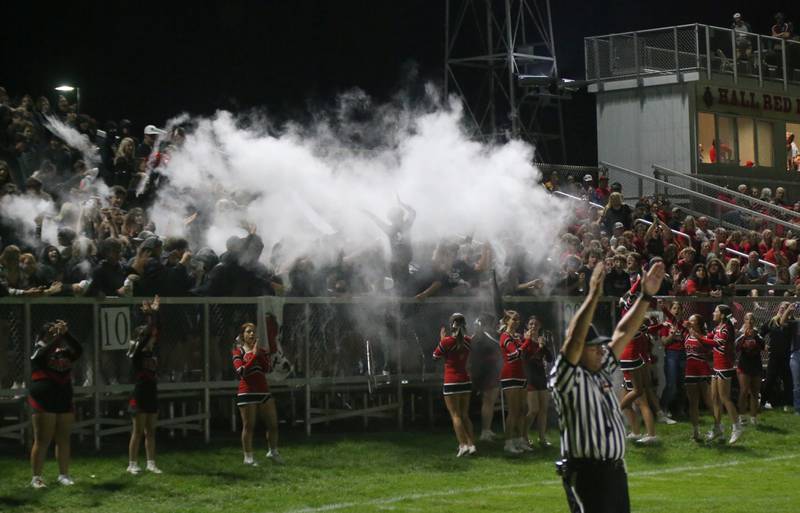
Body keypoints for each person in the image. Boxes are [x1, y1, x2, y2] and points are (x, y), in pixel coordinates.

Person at [550, 261, 665, 513]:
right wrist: (592, 296)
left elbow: (622, 332)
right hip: (587, 474)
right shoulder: (566, 377)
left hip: (614, 472)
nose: (601, 350)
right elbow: (575, 340)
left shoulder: (600, 370)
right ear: (579, 351)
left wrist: (645, 297)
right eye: (594, 348)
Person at [29, 320, 82, 488]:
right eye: (51, 333)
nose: (55, 336)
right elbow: (42, 355)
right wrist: (58, 338)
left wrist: (67, 334)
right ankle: (36, 477)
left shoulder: (64, 352)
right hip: (44, 400)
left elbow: (79, 350)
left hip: (64, 398)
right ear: (44, 336)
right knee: (43, 439)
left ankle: (64, 475)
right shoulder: (39, 350)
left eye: (56, 333)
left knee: (64, 439)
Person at [232, 322, 282, 465]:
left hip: (263, 390)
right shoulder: (238, 352)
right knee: (249, 426)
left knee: (273, 424)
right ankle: (248, 457)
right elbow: (241, 372)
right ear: (243, 335)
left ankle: (273, 451)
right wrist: (253, 355)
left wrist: (258, 354)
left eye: (253, 331)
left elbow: (266, 369)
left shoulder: (262, 350)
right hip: (247, 392)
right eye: (248, 332)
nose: (252, 334)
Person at [127, 296, 163, 475]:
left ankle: (151, 462)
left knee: (151, 430)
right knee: (138, 430)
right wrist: (151, 315)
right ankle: (132, 463)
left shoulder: (153, 353)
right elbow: (149, 332)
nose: (153, 339)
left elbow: (154, 332)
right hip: (139, 394)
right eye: (149, 338)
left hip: (151, 392)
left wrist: (154, 315)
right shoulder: (137, 352)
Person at [433, 313, 476, 457]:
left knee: (455, 415)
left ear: (451, 325)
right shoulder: (469, 341)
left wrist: (441, 340)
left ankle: (463, 445)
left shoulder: (446, 341)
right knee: (465, 415)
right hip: (465, 380)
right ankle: (471, 444)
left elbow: (435, 356)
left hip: (451, 381)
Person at [707, 305, 742, 444]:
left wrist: (697, 336)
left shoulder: (726, 329)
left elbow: (715, 342)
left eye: (715, 311)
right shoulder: (717, 328)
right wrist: (693, 330)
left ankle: (737, 427)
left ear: (722, 315)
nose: (713, 313)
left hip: (724, 367)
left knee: (725, 398)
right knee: (714, 398)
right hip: (716, 367)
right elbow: (707, 337)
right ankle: (718, 428)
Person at [499, 310, 531, 454]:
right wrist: (527, 341)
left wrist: (529, 341)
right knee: (513, 410)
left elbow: (525, 352)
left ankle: (519, 439)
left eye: (518, 320)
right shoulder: (505, 336)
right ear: (506, 321)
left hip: (521, 375)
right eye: (514, 319)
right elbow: (515, 354)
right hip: (510, 375)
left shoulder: (517, 336)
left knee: (522, 409)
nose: (516, 322)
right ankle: (508, 442)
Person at [469, 313, 502, 441]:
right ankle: (485, 431)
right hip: (487, 372)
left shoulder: (479, 337)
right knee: (488, 401)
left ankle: (487, 429)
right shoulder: (482, 337)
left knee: (490, 402)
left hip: (487, 372)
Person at [684, 314, 716, 441]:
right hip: (689, 370)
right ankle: (695, 432)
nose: (689, 321)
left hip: (702, 370)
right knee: (693, 403)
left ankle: (718, 427)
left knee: (708, 400)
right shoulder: (686, 334)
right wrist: (664, 308)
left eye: (692, 320)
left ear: (698, 323)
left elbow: (710, 350)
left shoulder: (705, 336)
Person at [523, 316, 553, 448]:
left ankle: (542, 437)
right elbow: (525, 358)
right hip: (530, 377)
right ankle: (524, 435)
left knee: (543, 410)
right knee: (534, 410)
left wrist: (543, 347)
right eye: (530, 324)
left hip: (541, 377)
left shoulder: (541, 340)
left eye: (535, 324)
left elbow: (550, 359)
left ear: (539, 326)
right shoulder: (525, 340)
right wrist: (533, 343)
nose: (533, 326)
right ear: (527, 326)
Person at [736, 312, 764, 425]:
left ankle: (753, 417)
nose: (750, 321)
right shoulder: (740, 333)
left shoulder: (758, 333)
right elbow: (736, 347)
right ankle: (742, 416)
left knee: (755, 392)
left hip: (756, 364)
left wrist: (755, 336)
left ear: (755, 321)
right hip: (744, 364)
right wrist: (744, 336)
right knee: (743, 391)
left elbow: (763, 345)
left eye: (752, 319)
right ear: (744, 321)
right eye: (747, 319)